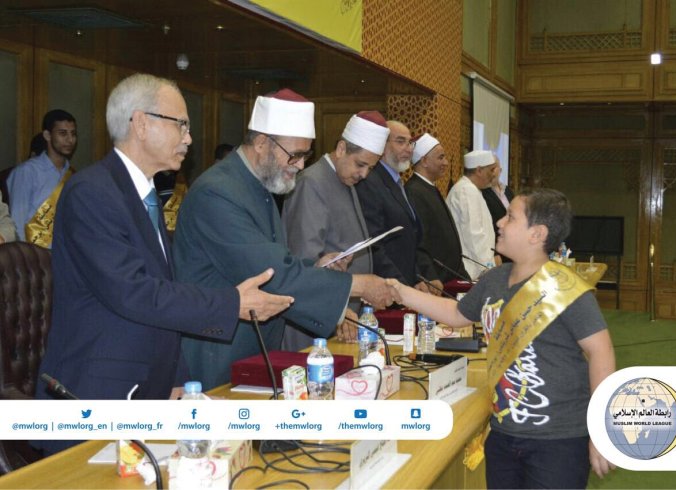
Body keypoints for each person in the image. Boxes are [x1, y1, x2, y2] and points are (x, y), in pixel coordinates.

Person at [35, 74, 293, 455]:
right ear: (141, 123)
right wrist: (231, 304)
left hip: (147, 388)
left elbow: (162, 289)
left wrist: (177, 379)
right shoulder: (92, 192)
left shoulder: (144, 194)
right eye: (181, 124)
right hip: (96, 396)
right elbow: (133, 292)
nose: (189, 138)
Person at [387, 188, 616, 489]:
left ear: (537, 234)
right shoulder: (494, 279)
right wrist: (401, 291)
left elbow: (601, 353)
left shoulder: (565, 288)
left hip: (559, 440)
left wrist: (601, 430)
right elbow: (457, 314)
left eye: (510, 217)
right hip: (504, 433)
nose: (499, 222)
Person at [173, 89, 393, 390]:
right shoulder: (217, 192)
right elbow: (269, 273)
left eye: (305, 155)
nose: (300, 165)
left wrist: (316, 266)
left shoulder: (259, 185)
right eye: (295, 155)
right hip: (218, 357)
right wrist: (358, 285)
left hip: (251, 352)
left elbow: (273, 260)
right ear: (262, 142)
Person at [281, 110, 390, 350]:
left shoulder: (343, 178)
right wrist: (339, 311)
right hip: (317, 321)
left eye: (370, 168)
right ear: (341, 149)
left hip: (343, 318)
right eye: (360, 164)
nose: (364, 174)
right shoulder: (312, 182)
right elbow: (303, 262)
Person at [355, 120, 441, 294]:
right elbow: (374, 245)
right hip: (387, 290)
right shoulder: (370, 182)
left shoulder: (398, 182)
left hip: (407, 286)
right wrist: (402, 287)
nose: (409, 149)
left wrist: (421, 278)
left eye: (410, 143)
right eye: (400, 142)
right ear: (382, 146)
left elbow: (412, 241)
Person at [405, 133, 469, 283]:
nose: (446, 163)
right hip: (437, 281)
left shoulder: (429, 188)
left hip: (451, 276)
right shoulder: (414, 191)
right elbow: (420, 241)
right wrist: (431, 276)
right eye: (441, 157)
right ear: (425, 161)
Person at [8, 110, 77, 246]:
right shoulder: (27, 172)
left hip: (66, 255)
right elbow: (17, 221)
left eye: (73, 134)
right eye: (63, 133)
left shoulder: (74, 175)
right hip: (34, 257)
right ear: (47, 135)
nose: (70, 140)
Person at [446, 150, 499, 279]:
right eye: (491, 170)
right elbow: (474, 234)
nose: (494, 175)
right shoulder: (466, 190)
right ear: (479, 170)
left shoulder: (471, 189)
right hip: (472, 269)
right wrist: (489, 267)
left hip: (476, 267)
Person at [482, 160, 514, 237]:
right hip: (495, 239)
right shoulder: (482, 193)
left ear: (500, 170)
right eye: (488, 168)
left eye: (493, 167)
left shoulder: (508, 190)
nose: (491, 171)